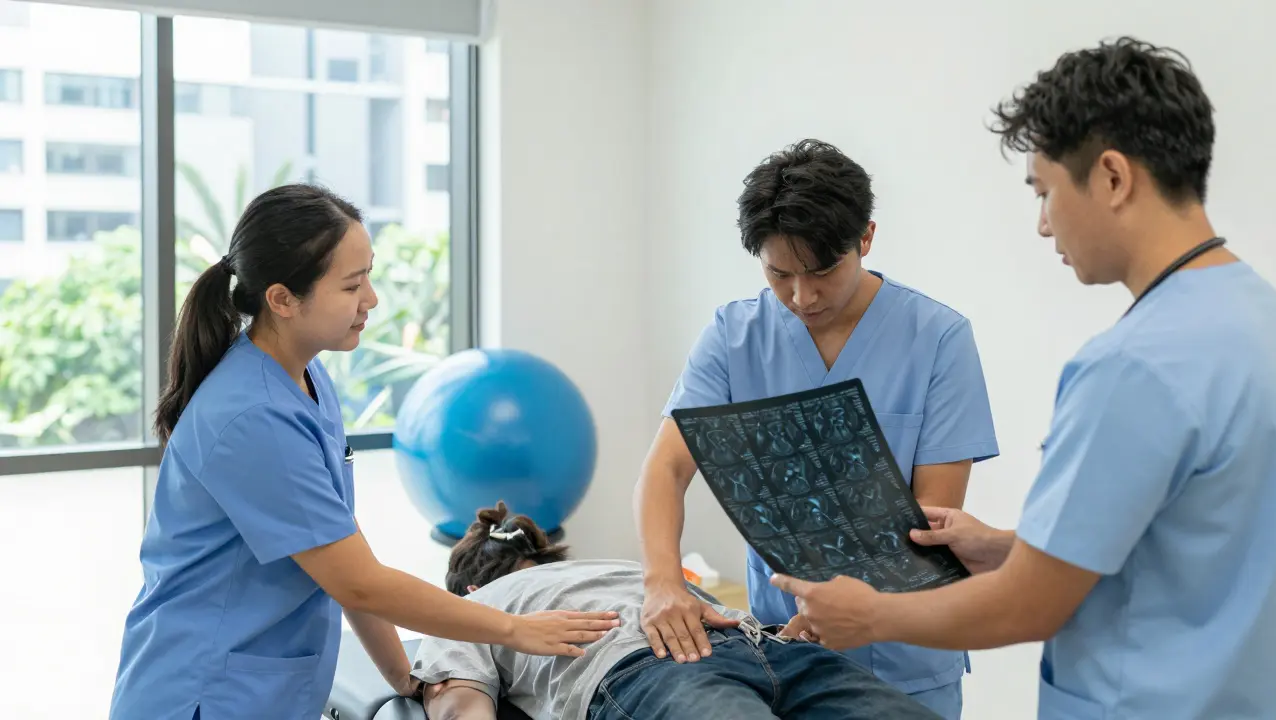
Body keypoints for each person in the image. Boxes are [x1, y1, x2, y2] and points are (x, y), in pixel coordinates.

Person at [771, 37, 1276, 719]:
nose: (1044, 226)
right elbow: (1201, 540)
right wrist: (1010, 545)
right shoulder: (1260, 320)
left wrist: (871, 616)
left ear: (1111, 177)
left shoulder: (1132, 366)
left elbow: (1031, 605)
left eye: (1045, 192)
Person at [107, 184, 619, 720]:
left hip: (262, 688)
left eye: (369, 275)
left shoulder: (305, 376)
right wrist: (515, 628)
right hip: (202, 694)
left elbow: (343, 548)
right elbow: (358, 582)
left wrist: (405, 675)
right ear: (282, 299)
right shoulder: (251, 417)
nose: (371, 299)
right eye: (352, 285)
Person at [634, 138, 1000, 718]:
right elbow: (667, 466)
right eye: (780, 274)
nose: (802, 297)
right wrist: (662, 582)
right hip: (782, 653)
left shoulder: (938, 339)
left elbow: (936, 519)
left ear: (866, 239)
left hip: (905, 655)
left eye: (822, 272)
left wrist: (847, 608)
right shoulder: (734, 337)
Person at [410, 502, 945, 720]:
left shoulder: (470, 604)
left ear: (470, 584)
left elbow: (458, 702)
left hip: (748, 649)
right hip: (658, 668)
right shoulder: (484, 609)